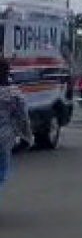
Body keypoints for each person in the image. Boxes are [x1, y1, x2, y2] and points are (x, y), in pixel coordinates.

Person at [0, 58, 32, 199]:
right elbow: (22, 119)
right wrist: (27, 138)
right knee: (2, 172)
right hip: (3, 139)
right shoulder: (14, 95)